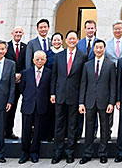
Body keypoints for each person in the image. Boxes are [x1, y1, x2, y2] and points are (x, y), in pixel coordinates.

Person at [50, 30, 87, 164]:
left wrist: (82, 99)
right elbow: (54, 76)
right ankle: (57, 152)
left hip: (74, 96)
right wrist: (52, 93)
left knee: (72, 125)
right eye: (69, 39)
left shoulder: (83, 56)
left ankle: (70, 153)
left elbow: (84, 80)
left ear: (77, 40)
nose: (71, 41)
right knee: (59, 125)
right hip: (59, 95)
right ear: (66, 41)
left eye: (74, 39)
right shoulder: (59, 56)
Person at [79, 39, 116, 165]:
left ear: (104, 49)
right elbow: (83, 84)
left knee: (104, 128)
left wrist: (112, 102)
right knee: (89, 128)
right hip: (89, 101)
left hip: (104, 102)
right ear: (94, 49)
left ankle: (103, 153)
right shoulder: (87, 65)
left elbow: (113, 86)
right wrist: (81, 103)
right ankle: (87, 153)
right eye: (96, 47)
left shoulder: (110, 65)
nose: (98, 49)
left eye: (101, 47)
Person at [18, 50, 51, 164]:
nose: (40, 61)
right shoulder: (26, 72)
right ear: (33, 60)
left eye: (42, 59)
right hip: (28, 105)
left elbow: (49, 89)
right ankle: (24, 153)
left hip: (41, 105)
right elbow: (21, 88)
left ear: (45, 60)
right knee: (26, 130)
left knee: (37, 131)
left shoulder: (49, 73)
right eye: (37, 59)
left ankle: (34, 153)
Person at [5, 26, 26, 140]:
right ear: (12, 33)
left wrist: (20, 74)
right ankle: (7, 131)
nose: (18, 34)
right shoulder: (6, 47)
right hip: (9, 83)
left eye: (20, 32)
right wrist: (13, 75)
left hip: (21, 82)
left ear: (22, 34)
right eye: (16, 32)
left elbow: (26, 63)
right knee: (10, 107)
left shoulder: (25, 47)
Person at [41, 32, 63, 141]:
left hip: (62, 86)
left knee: (60, 112)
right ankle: (48, 134)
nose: (56, 42)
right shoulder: (47, 54)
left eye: (59, 40)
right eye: (54, 40)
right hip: (49, 85)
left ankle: (59, 134)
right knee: (49, 110)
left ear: (62, 41)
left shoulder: (65, 53)